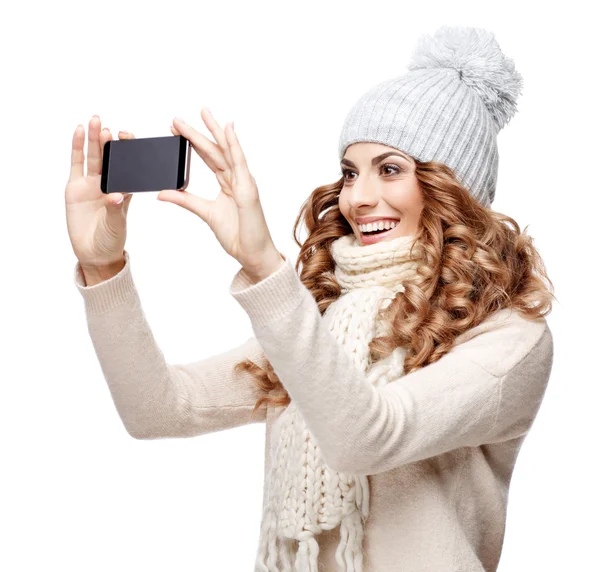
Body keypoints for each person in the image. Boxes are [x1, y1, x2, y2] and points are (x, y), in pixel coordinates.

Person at [66, 25, 555, 572]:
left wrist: (263, 267)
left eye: (390, 169)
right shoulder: (322, 318)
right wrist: (103, 266)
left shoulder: (510, 336)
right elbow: (158, 410)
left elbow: (369, 435)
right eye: (350, 172)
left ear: (452, 190)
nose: (358, 198)